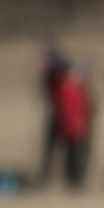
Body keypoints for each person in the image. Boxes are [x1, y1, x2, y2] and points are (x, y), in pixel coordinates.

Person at [37, 45, 92, 191]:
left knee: (74, 152)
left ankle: (75, 180)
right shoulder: (54, 78)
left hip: (74, 119)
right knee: (57, 151)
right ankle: (51, 179)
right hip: (62, 118)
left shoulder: (68, 78)